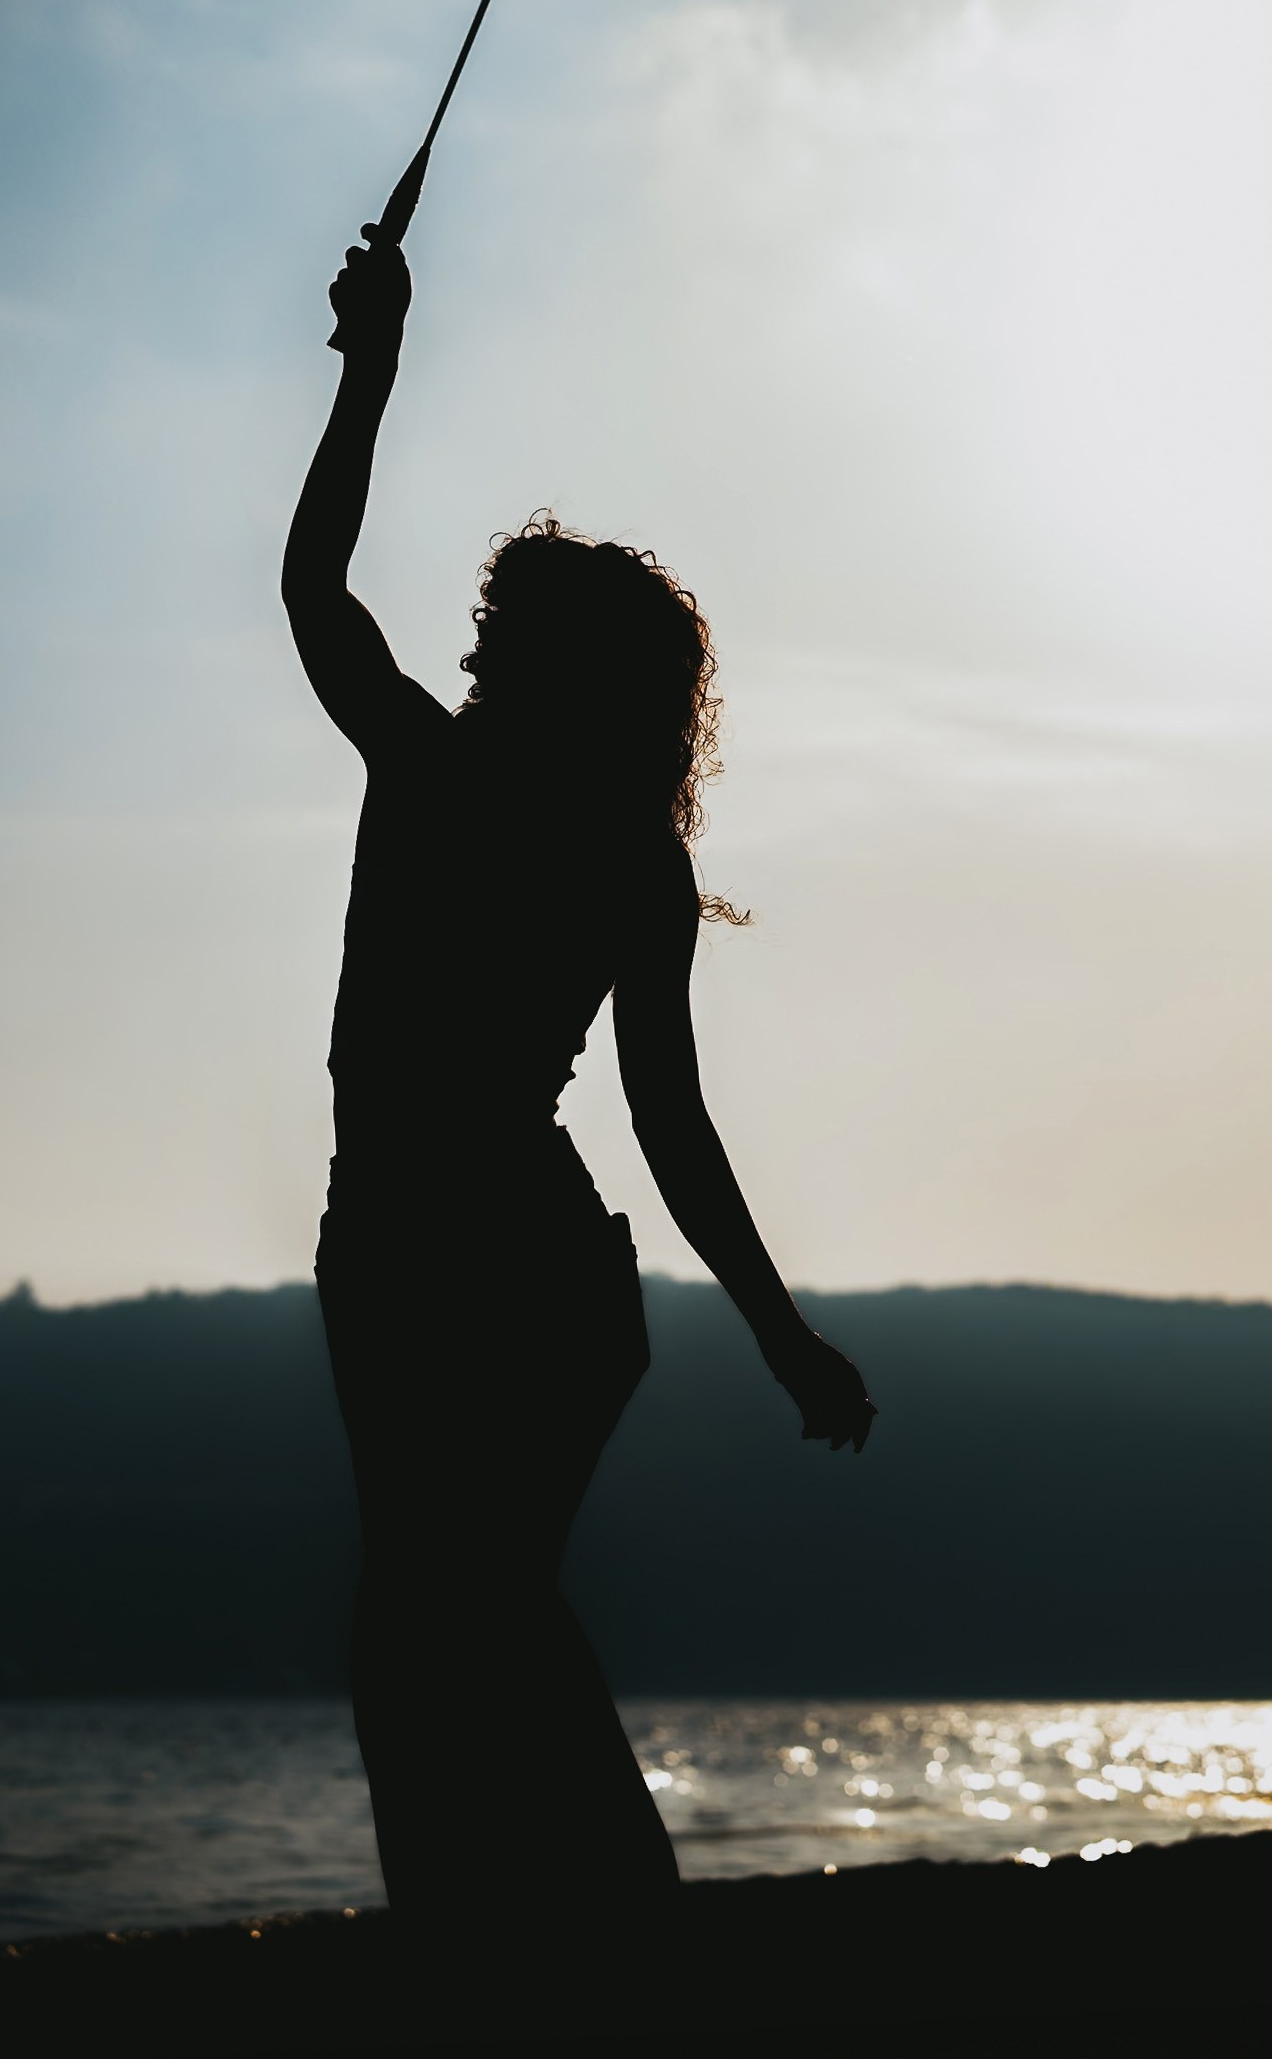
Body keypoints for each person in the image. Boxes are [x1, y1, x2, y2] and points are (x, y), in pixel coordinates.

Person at [282, 223, 876, 1932]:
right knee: (469, 1612)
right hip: (531, 1272)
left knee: (434, 1619)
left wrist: (370, 371)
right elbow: (665, 1124)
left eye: (502, 635)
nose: (477, 650)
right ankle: (573, 1935)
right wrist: (777, 1331)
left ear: (530, 665)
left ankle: (525, 1939)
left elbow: (313, 592)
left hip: (429, 1248)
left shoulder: (434, 768)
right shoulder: (624, 853)